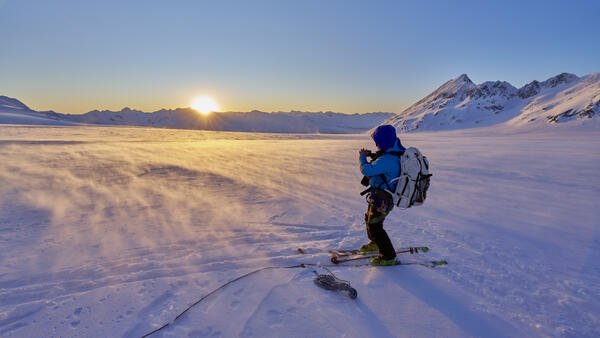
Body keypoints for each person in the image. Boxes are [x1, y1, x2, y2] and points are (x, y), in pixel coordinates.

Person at [358, 124, 405, 266]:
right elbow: (381, 160)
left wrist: (362, 158)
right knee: (371, 219)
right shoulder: (394, 153)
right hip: (381, 197)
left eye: (377, 141)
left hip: (382, 198)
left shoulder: (388, 159)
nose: (376, 145)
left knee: (375, 225)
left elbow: (367, 170)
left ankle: (388, 256)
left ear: (383, 141)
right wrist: (372, 155)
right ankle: (375, 243)